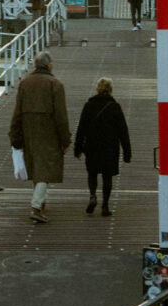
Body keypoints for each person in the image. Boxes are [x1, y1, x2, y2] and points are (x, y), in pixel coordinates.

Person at [9, 50, 71, 223]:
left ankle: (41, 201)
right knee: (45, 168)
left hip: (28, 129)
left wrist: (14, 134)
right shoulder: (55, 85)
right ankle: (36, 207)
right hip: (48, 131)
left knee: (36, 165)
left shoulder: (25, 83)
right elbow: (61, 116)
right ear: (49, 65)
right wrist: (65, 139)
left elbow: (17, 112)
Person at [74, 77, 131, 217]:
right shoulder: (115, 107)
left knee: (92, 173)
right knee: (107, 176)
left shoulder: (89, 105)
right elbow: (123, 131)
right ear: (111, 90)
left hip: (92, 146)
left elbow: (81, 128)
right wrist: (127, 152)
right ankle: (105, 205)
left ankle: (93, 195)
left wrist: (78, 148)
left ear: (97, 89)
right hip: (109, 147)